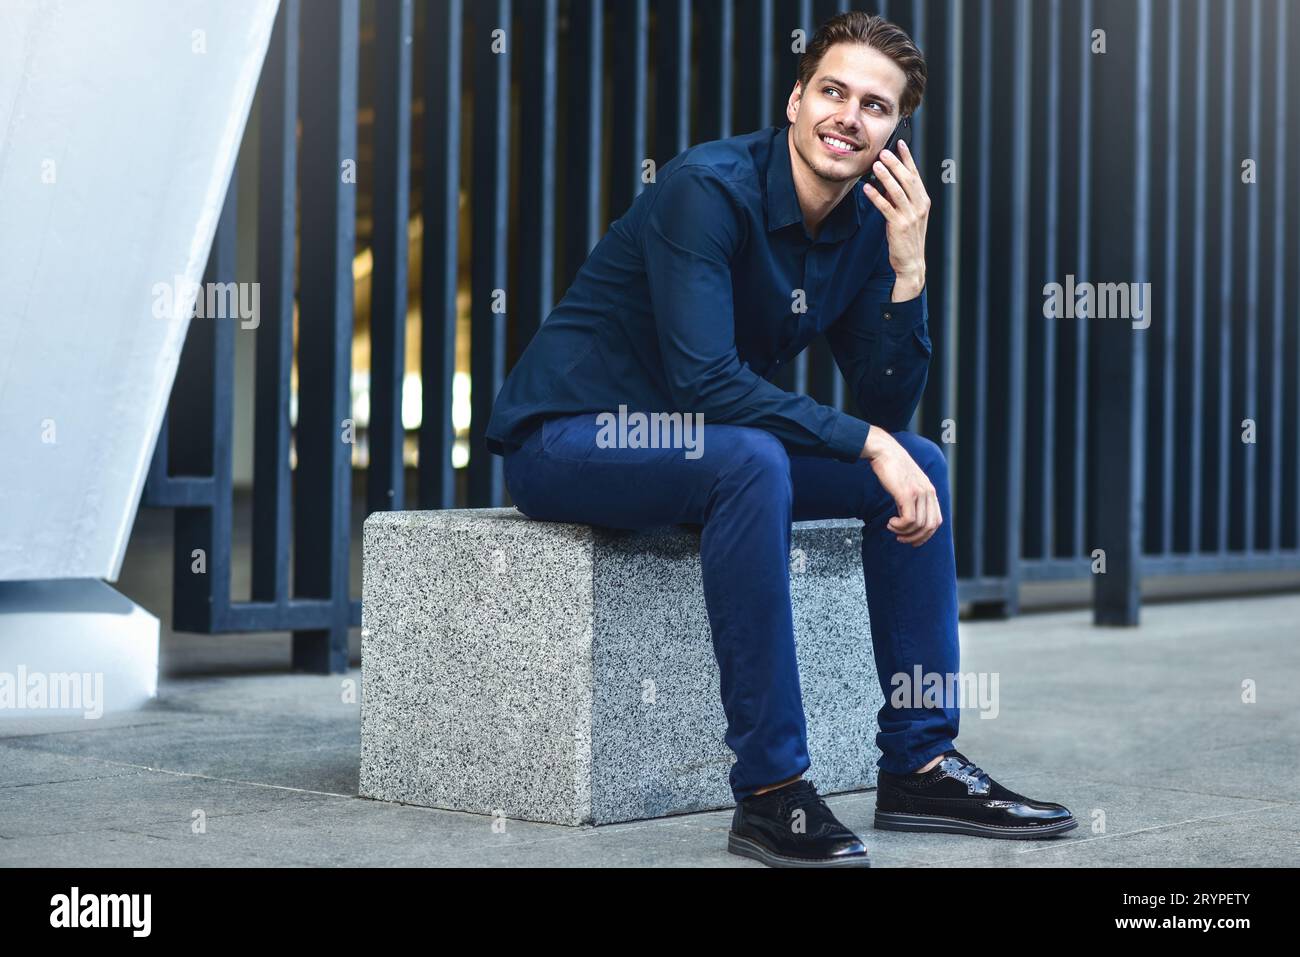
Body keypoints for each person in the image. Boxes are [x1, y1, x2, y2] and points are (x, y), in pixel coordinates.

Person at [485, 11, 1076, 868]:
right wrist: (866, 439)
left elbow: (885, 403)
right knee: (756, 457)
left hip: (703, 451)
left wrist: (909, 273)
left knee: (924, 466)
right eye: (832, 91)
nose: (848, 116)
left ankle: (920, 761)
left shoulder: (870, 225)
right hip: (574, 437)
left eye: (875, 106)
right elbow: (705, 382)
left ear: (896, 130)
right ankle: (770, 793)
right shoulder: (706, 190)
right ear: (796, 100)